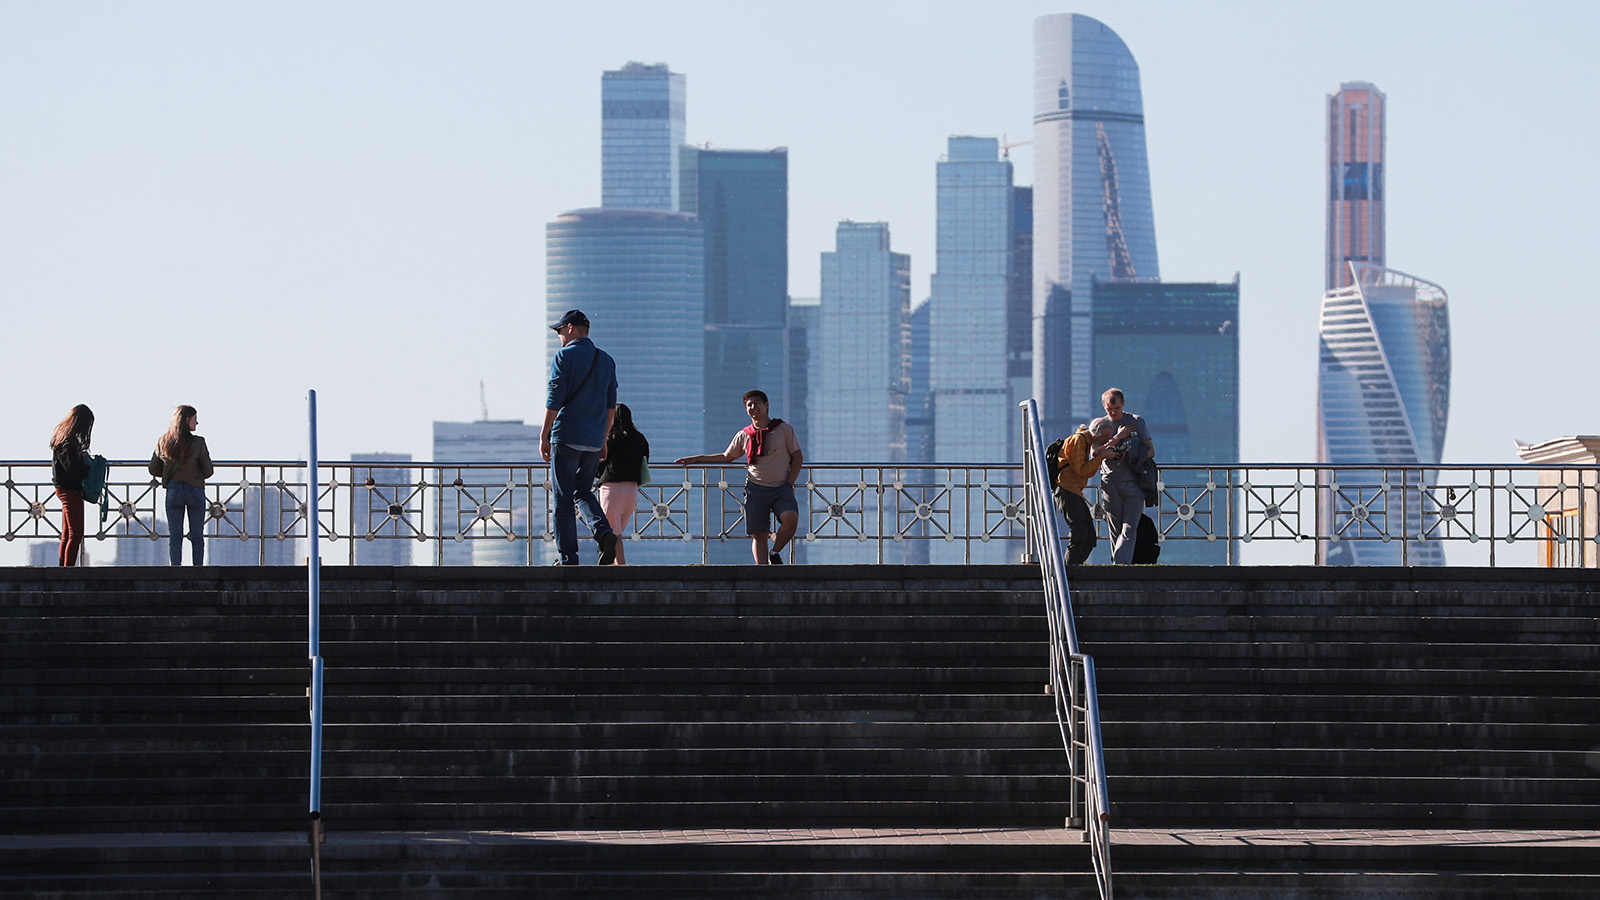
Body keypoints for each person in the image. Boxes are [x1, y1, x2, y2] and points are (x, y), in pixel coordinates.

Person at [676, 390, 803, 565]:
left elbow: (797, 457)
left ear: (767, 405)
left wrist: (789, 483)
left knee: (791, 518)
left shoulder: (784, 429)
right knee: (759, 533)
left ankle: (775, 552)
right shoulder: (745, 434)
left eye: (757, 403)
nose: (753, 407)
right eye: (749, 405)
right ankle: (763, 571)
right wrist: (697, 458)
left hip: (781, 487)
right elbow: (727, 456)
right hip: (756, 487)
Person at [541, 309, 620, 566]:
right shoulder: (606, 360)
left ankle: (568, 558)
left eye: (560, 330)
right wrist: (604, 439)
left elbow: (555, 397)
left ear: (571, 328)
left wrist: (544, 434)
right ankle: (604, 533)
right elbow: (611, 406)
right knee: (583, 491)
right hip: (593, 440)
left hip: (566, 436)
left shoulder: (564, 356)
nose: (559, 336)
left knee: (562, 498)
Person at [1089, 387, 1154, 565]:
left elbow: (1151, 451)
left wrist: (1133, 454)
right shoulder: (1101, 425)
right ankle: (1119, 566)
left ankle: (1121, 566)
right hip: (1110, 482)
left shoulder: (1136, 422)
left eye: (1116, 408)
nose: (1113, 412)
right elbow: (1095, 453)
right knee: (1115, 529)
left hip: (1134, 482)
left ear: (1123, 404)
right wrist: (1117, 440)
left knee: (1130, 528)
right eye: (1109, 409)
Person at [150, 405, 215, 566]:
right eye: (194, 419)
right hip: (195, 490)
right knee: (197, 535)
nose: (197, 422)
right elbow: (208, 470)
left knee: (175, 536)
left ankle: (175, 570)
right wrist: (195, 473)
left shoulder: (163, 441)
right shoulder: (199, 442)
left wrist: (169, 474)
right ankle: (198, 570)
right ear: (187, 420)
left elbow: (153, 468)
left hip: (173, 491)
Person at [1052, 419, 1118, 565]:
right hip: (1066, 489)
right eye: (1104, 439)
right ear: (1096, 435)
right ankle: (1068, 571)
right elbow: (1081, 470)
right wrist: (1102, 457)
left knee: (1089, 537)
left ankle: (1075, 567)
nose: (1104, 442)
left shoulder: (1086, 442)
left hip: (1074, 490)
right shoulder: (1078, 441)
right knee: (1080, 534)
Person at [595, 402, 649, 566]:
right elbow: (645, 460)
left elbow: (599, 465)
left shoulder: (608, 438)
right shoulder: (639, 439)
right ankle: (618, 564)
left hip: (611, 488)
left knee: (612, 533)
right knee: (617, 532)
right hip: (631, 489)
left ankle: (621, 567)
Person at [49, 404, 96, 567]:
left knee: (67, 533)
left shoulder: (60, 437)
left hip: (62, 488)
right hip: (70, 489)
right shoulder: (68, 442)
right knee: (76, 534)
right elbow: (73, 469)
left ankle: (63, 568)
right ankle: (68, 570)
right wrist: (88, 467)